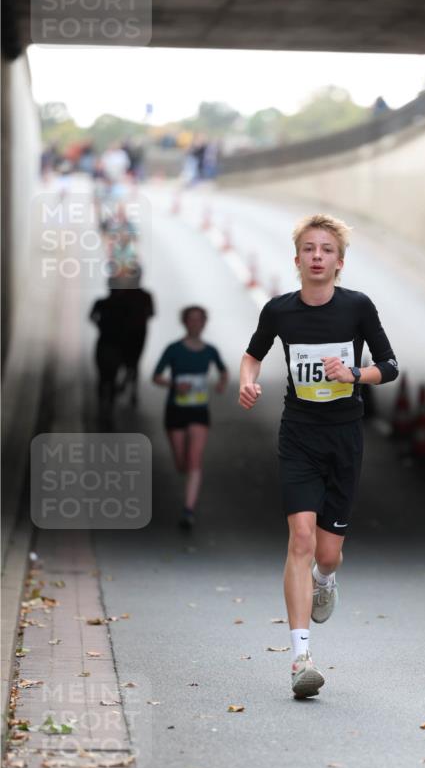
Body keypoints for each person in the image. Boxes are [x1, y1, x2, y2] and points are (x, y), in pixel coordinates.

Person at [239, 214, 398, 698]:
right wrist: (247, 380)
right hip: (299, 435)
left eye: (326, 250)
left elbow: (389, 366)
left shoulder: (357, 308)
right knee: (301, 540)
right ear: (296, 259)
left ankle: (326, 580)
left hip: (344, 436)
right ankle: (300, 658)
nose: (316, 256)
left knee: (327, 555)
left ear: (339, 262)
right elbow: (253, 354)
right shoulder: (279, 311)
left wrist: (354, 375)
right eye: (309, 248)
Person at [153, 307, 228, 529]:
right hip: (175, 409)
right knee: (181, 462)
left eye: (199, 320)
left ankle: (188, 511)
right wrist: (175, 384)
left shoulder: (210, 350)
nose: (195, 324)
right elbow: (156, 376)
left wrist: (222, 383)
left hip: (199, 410)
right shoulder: (173, 349)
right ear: (184, 323)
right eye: (191, 320)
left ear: (204, 323)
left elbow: (223, 371)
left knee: (195, 459)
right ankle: (187, 481)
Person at [90, 276, 155, 426]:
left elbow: (92, 317)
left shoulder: (105, 303)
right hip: (117, 344)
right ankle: (109, 408)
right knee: (111, 377)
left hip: (109, 344)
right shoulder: (124, 304)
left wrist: (101, 326)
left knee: (105, 378)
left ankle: (105, 408)